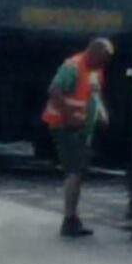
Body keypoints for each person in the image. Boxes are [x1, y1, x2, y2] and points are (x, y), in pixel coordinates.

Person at [42, 38, 114, 238]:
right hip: (64, 127)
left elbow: (95, 96)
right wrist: (69, 116)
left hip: (82, 129)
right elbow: (54, 91)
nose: (105, 64)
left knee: (78, 171)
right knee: (74, 170)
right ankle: (69, 219)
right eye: (103, 58)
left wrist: (101, 114)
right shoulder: (73, 66)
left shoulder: (96, 70)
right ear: (93, 52)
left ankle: (72, 218)